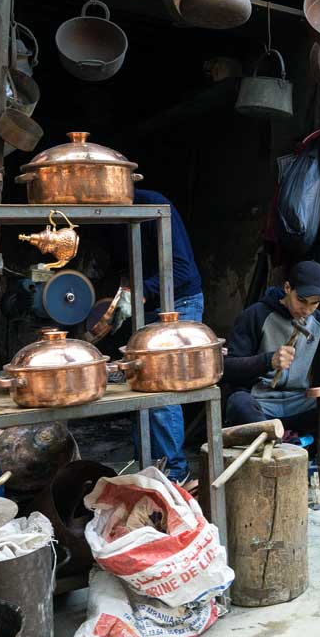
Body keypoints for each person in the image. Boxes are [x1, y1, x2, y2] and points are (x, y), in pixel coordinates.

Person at [222, 260, 320, 492]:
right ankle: (283, 459)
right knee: (238, 403)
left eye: (314, 304)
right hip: (261, 406)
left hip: (299, 405)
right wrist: (268, 361)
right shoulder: (255, 315)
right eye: (302, 301)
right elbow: (228, 368)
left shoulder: (317, 323)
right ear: (287, 288)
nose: (307, 310)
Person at [132, 188, 204, 482]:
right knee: (139, 386)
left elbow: (181, 269)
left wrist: (139, 291)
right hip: (149, 303)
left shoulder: (154, 206)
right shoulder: (108, 217)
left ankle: (175, 471)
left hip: (181, 303)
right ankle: (149, 465)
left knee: (163, 387)